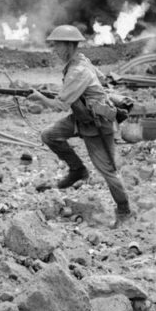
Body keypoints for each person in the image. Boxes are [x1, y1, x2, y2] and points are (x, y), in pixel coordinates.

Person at [27, 25, 132, 228]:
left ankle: (124, 210)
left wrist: (40, 98)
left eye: (57, 45)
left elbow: (60, 104)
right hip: (80, 118)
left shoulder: (78, 69)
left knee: (107, 170)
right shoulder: (80, 61)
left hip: (97, 125)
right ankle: (77, 170)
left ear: (68, 45)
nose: (54, 50)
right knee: (49, 135)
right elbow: (100, 82)